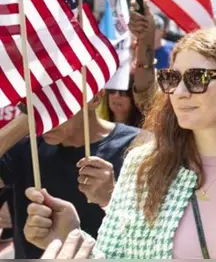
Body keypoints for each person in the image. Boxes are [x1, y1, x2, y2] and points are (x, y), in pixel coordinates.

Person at [23, 27, 216, 259]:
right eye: (172, 78)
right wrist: (70, 239)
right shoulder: (143, 165)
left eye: (197, 78)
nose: (180, 92)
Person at [0, 91, 141, 259]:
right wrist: (26, 117)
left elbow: (155, 234)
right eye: (37, 103)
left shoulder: (138, 146)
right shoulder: (26, 146)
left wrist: (112, 197)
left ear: (95, 98)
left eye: (56, 102)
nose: (45, 115)